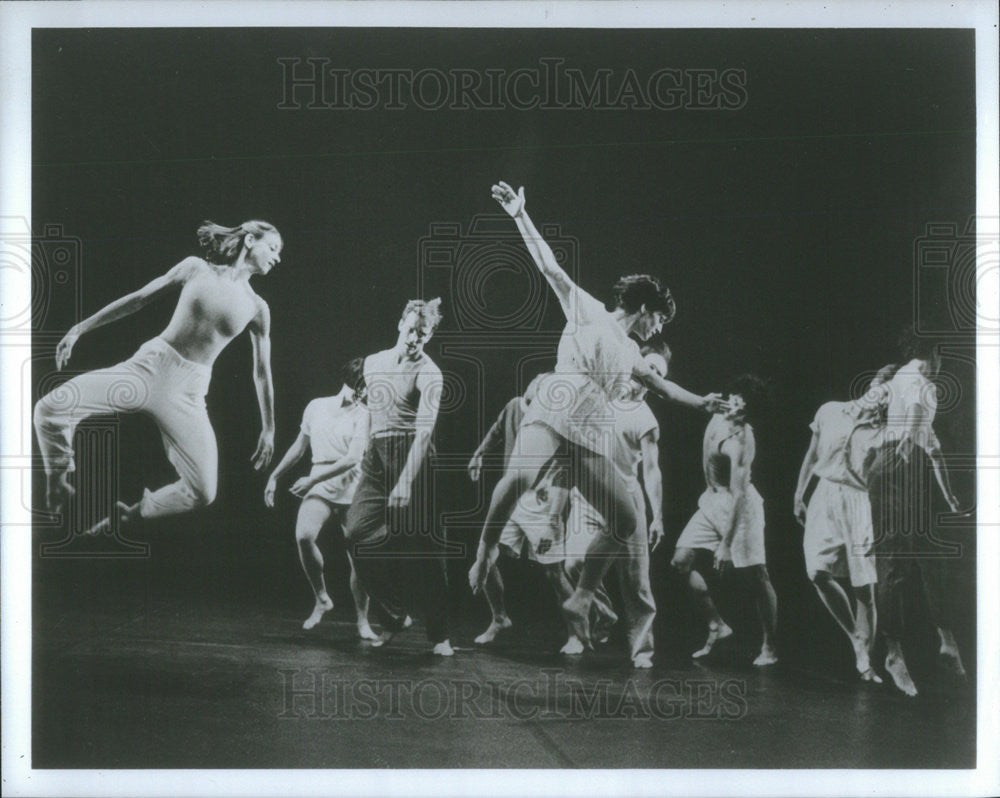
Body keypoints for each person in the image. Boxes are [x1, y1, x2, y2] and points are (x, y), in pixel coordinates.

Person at [468, 181, 725, 649]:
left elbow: (662, 387)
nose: (658, 330)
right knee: (520, 479)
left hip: (591, 427)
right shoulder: (589, 311)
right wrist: (520, 215)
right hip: (560, 400)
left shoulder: (631, 352)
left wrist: (702, 401)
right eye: (659, 321)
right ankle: (485, 551)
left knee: (626, 521)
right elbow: (549, 266)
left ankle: (581, 598)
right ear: (646, 309)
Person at [34, 220, 281, 533]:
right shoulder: (196, 268)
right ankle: (58, 480)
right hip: (147, 370)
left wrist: (269, 429)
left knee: (204, 491)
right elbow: (139, 299)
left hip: (188, 392)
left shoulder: (258, 308)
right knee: (49, 408)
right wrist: (79, 328)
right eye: (272, 247)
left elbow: (261, 372)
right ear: (249, 240)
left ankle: (130, 516)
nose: (277, 257)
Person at [466, 374, 618, 652]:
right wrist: (478, 454)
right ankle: (499, 617)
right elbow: (496, 431)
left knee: (554, 573)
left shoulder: (558, 418)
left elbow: (566, 472)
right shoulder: (514, 406)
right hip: (513, 498)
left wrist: (552, 519)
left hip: (543, 500)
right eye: (538, 384)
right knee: (487, 557)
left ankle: (577, 634)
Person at [343, 299, 453, 656]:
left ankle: (440, 636)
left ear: (430, 335)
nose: (414, 339)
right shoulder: (373, 363)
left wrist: (406, 479)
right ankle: (394, 615)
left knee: (427, 550)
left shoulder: (430, 373)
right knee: (357, 533)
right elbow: (373, 414)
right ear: (399, 324)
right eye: (410, 331)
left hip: (414, 457)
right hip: (377, 455)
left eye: (422, 334)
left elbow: (424, 432)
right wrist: (366, 454)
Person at [867, 329, 964, 696]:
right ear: (932, 354)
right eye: (941, 356)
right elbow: (908, 432)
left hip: (909, 465)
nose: (942, 365)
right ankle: (894, 655)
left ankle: (948, 641)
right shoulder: (912, 378)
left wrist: (950, 495)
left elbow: (931, 443)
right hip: (895, 465)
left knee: (928, 557)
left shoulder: (923, 385)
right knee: (894, 563)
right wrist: (905, 449)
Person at [562, 344, 670, 668]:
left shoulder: (645, 419)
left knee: (636, 582)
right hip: (590, 496)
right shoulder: (601, 400)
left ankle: (643, 650)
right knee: (572, 565)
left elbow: (652, 470)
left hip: (627, 498)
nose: (647, 383)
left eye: (658, 377)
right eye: (647, 373)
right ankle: (599, 617)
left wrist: (657, 517)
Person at [793, 365, 898, 682]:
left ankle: (865, 660)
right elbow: (812, 456)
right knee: (817, 572)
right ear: (873, 385)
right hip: (825, 496)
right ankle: (855, 636)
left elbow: (885, 486)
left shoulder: (886, 435)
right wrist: (799, 493)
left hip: (860, 503)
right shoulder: (830, 411)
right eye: (882, 390)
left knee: (864, 589)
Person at [264, 357, 376, 638]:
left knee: (359, 558)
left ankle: (363, 621)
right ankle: (322, 598)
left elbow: (352, 459)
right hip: (322, 483)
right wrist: (274, 477)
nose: (365, 392)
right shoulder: (317, 406)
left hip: (351, 488)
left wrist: (312, 479)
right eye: (363, 385)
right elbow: (299, 448)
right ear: (353, 380)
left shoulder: (366, 415)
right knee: (304, 536)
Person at [671, 375, 778, 666]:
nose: (733, 410)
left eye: (741, 409)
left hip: (740, 508)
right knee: (681, 562)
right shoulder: (717, 411)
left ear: (748, 413)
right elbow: (693, 400)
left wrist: (726, 545)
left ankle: (770, 646)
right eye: (733, 403)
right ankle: (717, 625)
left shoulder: (743, 439)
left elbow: (740, 495)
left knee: (757, 575)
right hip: (712, 500)